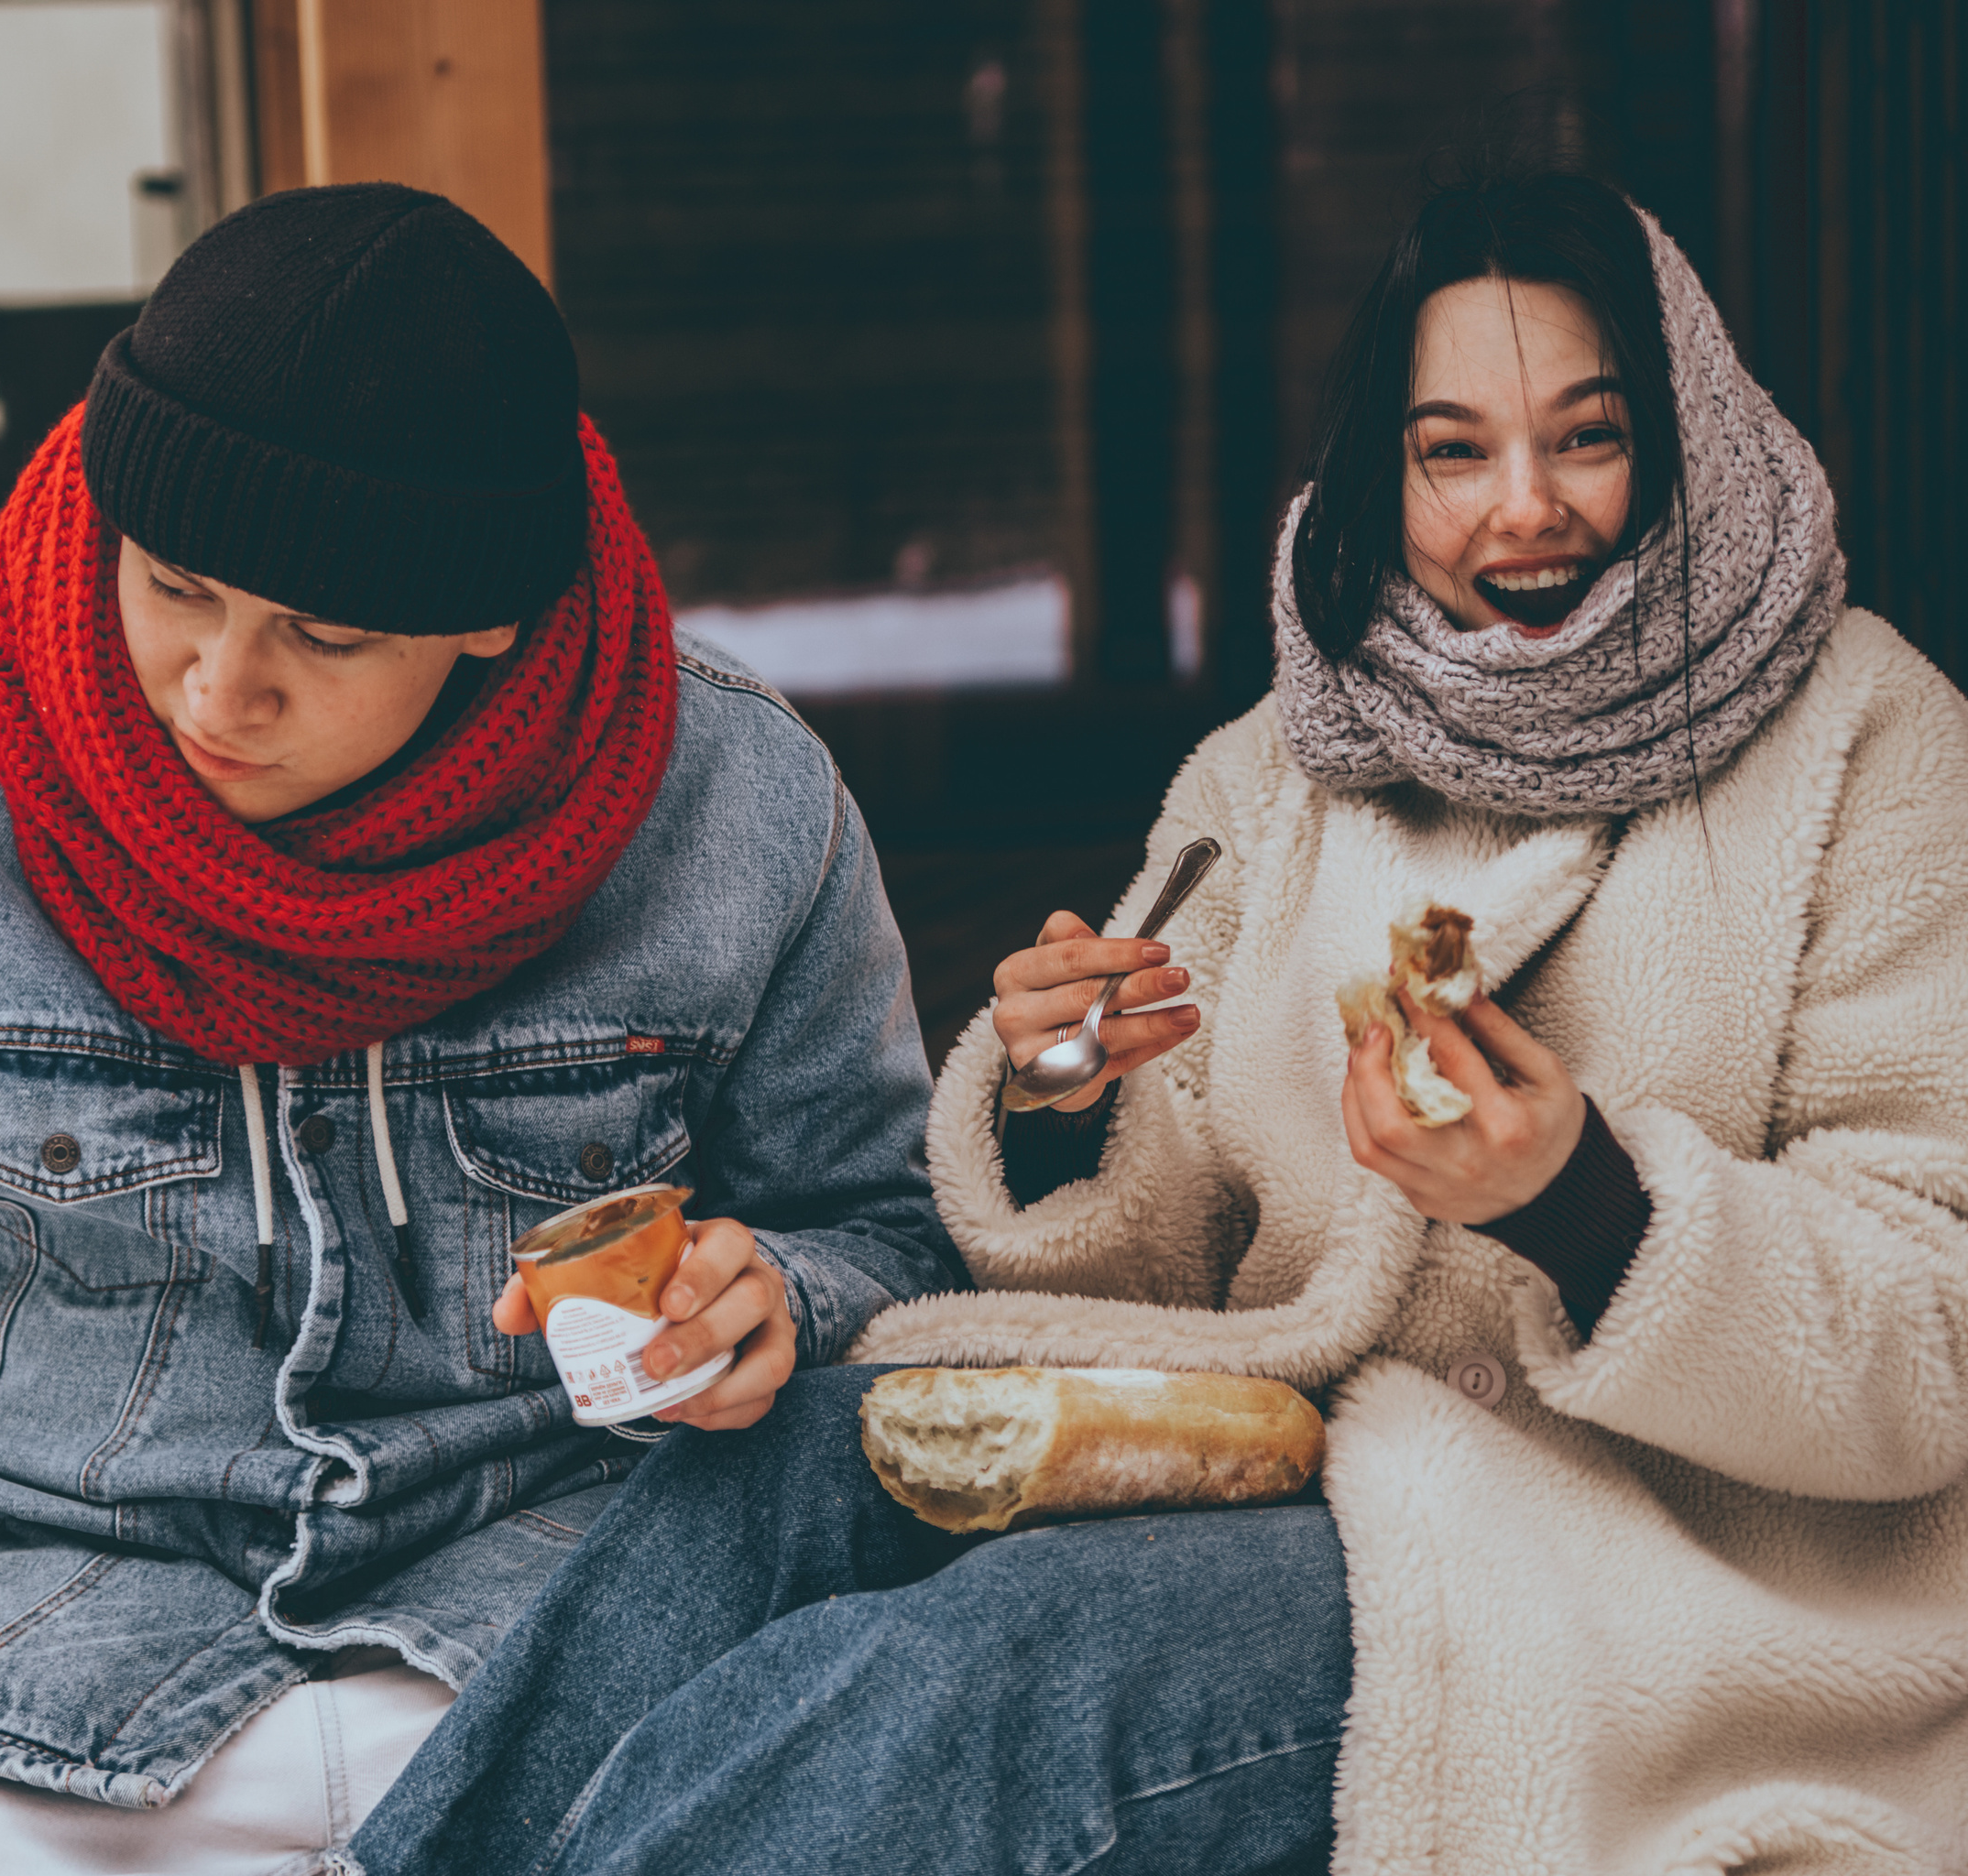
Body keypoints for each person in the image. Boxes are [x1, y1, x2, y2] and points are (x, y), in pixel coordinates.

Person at [345, 169, 1968, 1874]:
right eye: (1451, 451)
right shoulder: (1288, 763)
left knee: (972, 1671)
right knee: (767, 1481)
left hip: (1642, 1558)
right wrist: (1065, 1095)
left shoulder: (1870, 745)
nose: (1522, 512)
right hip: (1291, 1442)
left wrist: (1583, 1202)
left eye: (1588, 436)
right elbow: (1164, 1263)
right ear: (1382, 470)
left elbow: (1938, 1334)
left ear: (1691, 430)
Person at [0, 183, 962, 1872]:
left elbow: (901, 1227)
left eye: (324, 636)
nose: (215, 690)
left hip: (566, 1641)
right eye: (174, 583)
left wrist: (783, 1295)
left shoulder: (736, 800)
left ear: (492, 617)